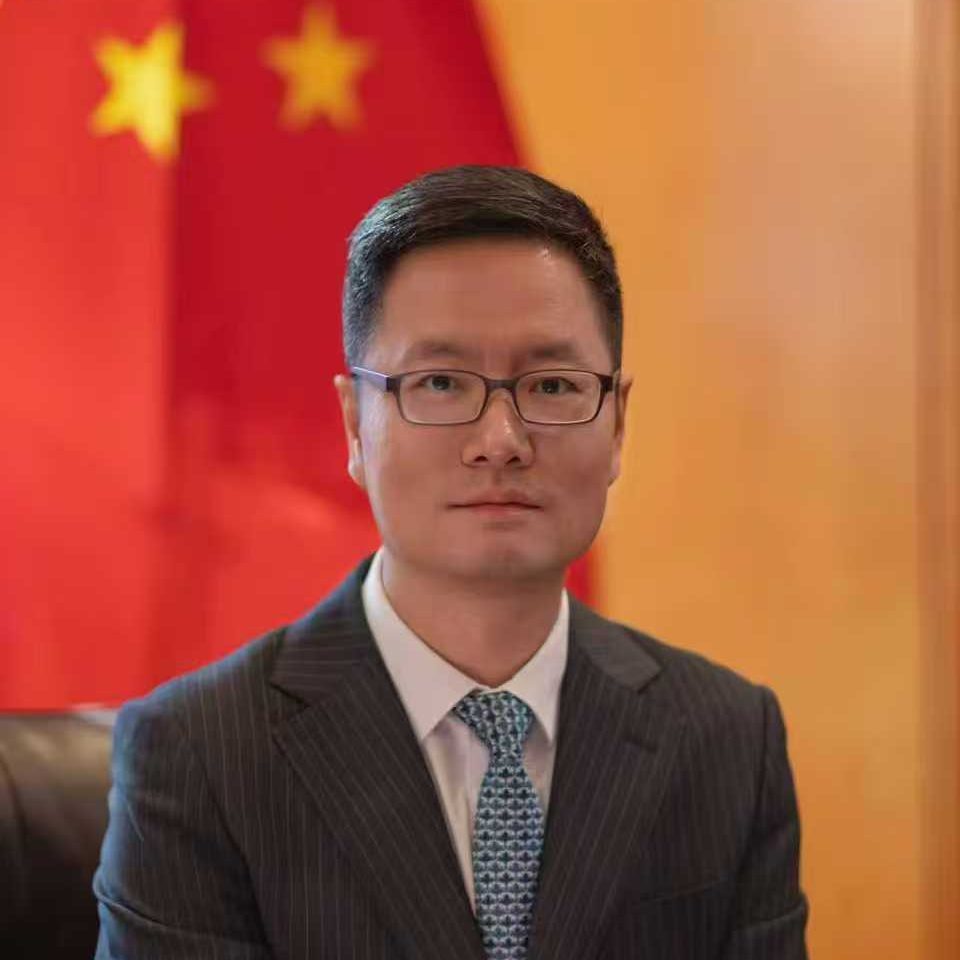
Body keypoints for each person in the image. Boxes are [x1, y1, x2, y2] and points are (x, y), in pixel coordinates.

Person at [94, 165, 809, 959]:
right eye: (439, 382)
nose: (500, 441)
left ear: (616, 426)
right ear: (355, 426)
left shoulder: (726, 741)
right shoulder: (200, 753)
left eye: (553, 385)